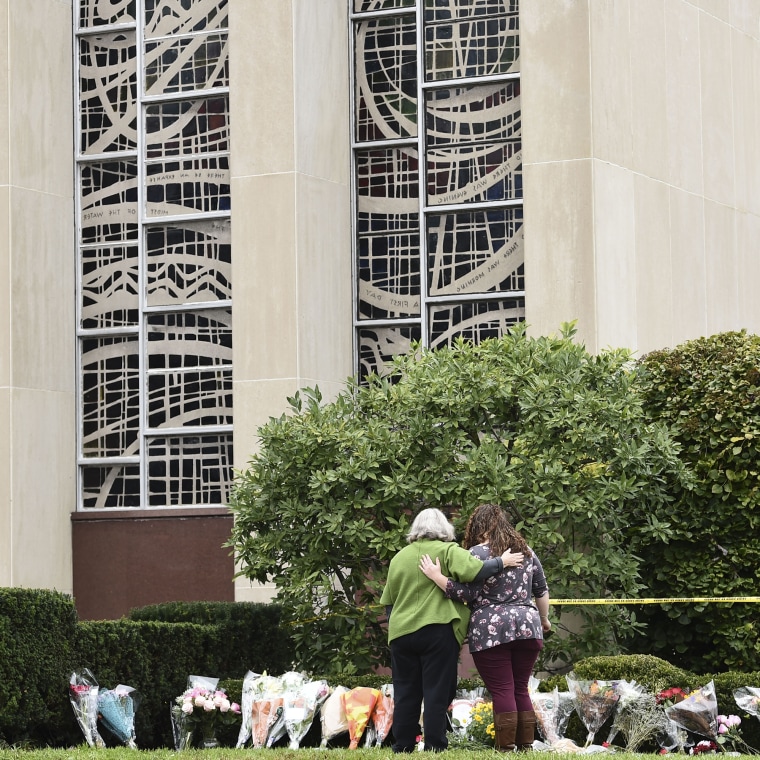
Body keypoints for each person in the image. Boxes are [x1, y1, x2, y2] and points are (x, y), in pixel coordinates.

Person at [380, 507, 524, 753]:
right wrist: (503, 562)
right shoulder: (448, 551)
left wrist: (399, 627)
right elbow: (476, 570)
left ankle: (402, 745)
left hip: (401, 634)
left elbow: (389, 603)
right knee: (437, 690)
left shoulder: (399, 558)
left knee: (405, 691)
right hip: (437, 631)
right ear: (444, 528)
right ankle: (435, 745)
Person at [420, 502, 551, 752]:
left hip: (491, 629)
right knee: (520, 686)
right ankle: (525, 747)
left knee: (502, 688)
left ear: (479, 528)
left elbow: (466, 593)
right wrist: (544, 620)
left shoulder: (477, 554)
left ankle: (505, 749)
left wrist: (437, 577)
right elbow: (541, 590)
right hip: (528, 625)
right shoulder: (526, 551)